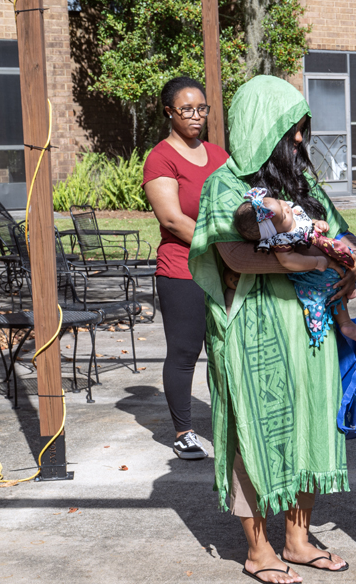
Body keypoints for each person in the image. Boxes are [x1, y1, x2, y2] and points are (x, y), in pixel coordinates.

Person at [188, 75, 356, 584]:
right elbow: (233, 253)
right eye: (291, 130)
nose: (299, 140)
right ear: (261, 128)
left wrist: (349, 257)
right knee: (253, 430)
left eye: (302, 130)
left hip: (308, 329)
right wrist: (305, 259)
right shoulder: (224, 186)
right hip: (252, 330)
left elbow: (341, 230)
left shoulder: (302, 184)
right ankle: (258, 548)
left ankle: (298, 537)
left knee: (309, 423)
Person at [143, 76, 230, 460]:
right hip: (183, 268)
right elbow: (174, 220)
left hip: (225, 267)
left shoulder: (219, 156)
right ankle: (183, 432)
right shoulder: (161, 158)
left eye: (202, 109)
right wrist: (221, 244)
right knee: (184, 351)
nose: (196, 117)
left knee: (225, 348)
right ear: (169, 113)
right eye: (187, 110)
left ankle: (230, 421)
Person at [232, 189, 356, 346]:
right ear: (272, 232)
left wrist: (317, 224)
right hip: (315, 274)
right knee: (334, 289)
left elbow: (306, 222)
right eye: (284, 214)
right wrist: (316, 262)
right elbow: (288, 261)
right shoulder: (281, 240)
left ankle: (350, 289)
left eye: (280, 203)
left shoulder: (290, 214)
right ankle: (345, 322)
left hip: (328, 255)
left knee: (342, 271)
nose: (286, 208)